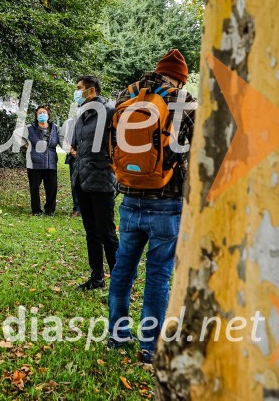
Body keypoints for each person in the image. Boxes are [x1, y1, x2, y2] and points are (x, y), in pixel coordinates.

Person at [108, 49, 196, 364]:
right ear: (180, 79)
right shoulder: (184, 101)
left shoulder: (126, 95)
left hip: (130, 198)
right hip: (167, 202)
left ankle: (117, 334)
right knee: (158, 275)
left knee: (123, 269)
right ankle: (150, 346)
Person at [69, 75, 119, 291]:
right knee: (91, 232)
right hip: (82, 180)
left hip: (101, 180)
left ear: (91, 90)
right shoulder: (82, 115)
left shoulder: (109, 111)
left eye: (79, 88)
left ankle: (119, 281)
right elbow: (77, 144)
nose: (76, 92)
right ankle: (97, 277)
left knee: (107, 233)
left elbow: (119, 142)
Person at [23, 106, 59, 216]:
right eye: (39, 113)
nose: (42, 114)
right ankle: (36, 210)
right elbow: (17, 136)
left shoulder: (55, 128)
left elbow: (61, 140)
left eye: (44, 112)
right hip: (34, 162)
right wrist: (26, 144)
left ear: (48, 115)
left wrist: (71, 150)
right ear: (36, 115)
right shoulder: (29, 128)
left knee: (52, 187)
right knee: (34, 187)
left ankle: (50, 210)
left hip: (50, 161)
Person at [58, 116, 80, 217]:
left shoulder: (94, 119)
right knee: (75, 182)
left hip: (91, 157)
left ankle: (90, 208)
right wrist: (71, 151)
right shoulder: (69, 122)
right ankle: (77, 208)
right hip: (74, 157)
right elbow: (62, 137)